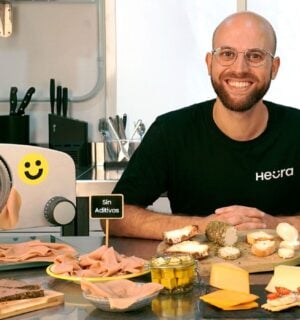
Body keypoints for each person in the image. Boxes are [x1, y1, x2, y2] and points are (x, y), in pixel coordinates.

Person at [105, 11, 300, 240]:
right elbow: (110, 215)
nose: (240, 68)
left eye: (255, 56)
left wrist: (274, 225)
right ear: (210, 63)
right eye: (227, 54)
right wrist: (202, 226)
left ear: (274, 67)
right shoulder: (171, 131)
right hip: (194, 274)